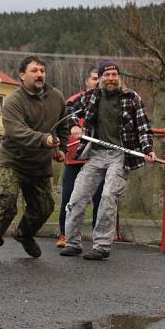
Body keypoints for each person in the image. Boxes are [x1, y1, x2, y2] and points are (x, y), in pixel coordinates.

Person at [60, 59, 156, 260]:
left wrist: (148, 149)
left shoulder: (132, 98)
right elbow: (68, 108)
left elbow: (143, 128)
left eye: (114, 75)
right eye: (107, 75)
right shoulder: (91, 97)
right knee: (77, 197)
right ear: (101, 78)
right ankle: (72, 242)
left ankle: (102, 246)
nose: (111, 79)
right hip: (95, 154)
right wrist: (74, 125)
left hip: (120, 155)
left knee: (107, 198)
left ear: (119, 77)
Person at [0, 56, 68, 263]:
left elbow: (63, 125)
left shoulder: (56, 97)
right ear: (22, 75)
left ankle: (24, 234)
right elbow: (17, 131)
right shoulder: (13, 101)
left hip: (40, 164)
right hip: (14, 162)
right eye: (34, 70)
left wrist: (61, 148)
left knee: (44, 207)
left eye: (42, 71)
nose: (40, 74)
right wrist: (43, 139)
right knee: (7, 204)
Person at [56, 67, 105, 248]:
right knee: (70, 198)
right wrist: (74, 127)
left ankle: (98, 237)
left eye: (100, 78)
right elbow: (66, 115)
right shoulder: (76, 100)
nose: (97, 81)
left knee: (101, 200)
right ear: (87, 82)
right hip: (74, 159)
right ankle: (64, 234)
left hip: (98, 159)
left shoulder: (109, 102)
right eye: (94, 78)